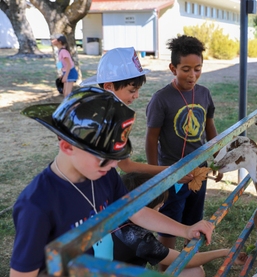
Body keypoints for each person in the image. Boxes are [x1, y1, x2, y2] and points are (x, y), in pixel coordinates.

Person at [10, 87, 214, 277]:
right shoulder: (37, 205)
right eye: (104, 158)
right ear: (67, 146)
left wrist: (185, 230)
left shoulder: (104, 175)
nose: (114, 165)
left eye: (117, 157)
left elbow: (137, 211)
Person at [145, 35, 223, 271]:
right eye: (186, 69)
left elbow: (210, 127)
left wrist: (217, 159)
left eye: (197, 69)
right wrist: (157, 176)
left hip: (199, 171)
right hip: (172, 174)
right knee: (169, 223)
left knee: (193, 219)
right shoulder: (161, 99)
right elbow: (151, 138)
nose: (192, 75)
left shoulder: (204, 94)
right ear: (173, 68)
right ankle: (166, 269)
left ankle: (189, 264)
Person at [80, 47, 194, 183]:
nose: (136, 95)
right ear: (109, 87)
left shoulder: (100, 111)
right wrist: (170, 172)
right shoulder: (110, 120)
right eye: (132, 90)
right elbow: (126, 165)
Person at [113, 172, 247, 276]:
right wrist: (224, 252)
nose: (160, 211)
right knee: (195, 272)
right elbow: (185, 259)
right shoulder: (141, 241)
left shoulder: (112, 214)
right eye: (158, 208)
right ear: (146, 209)